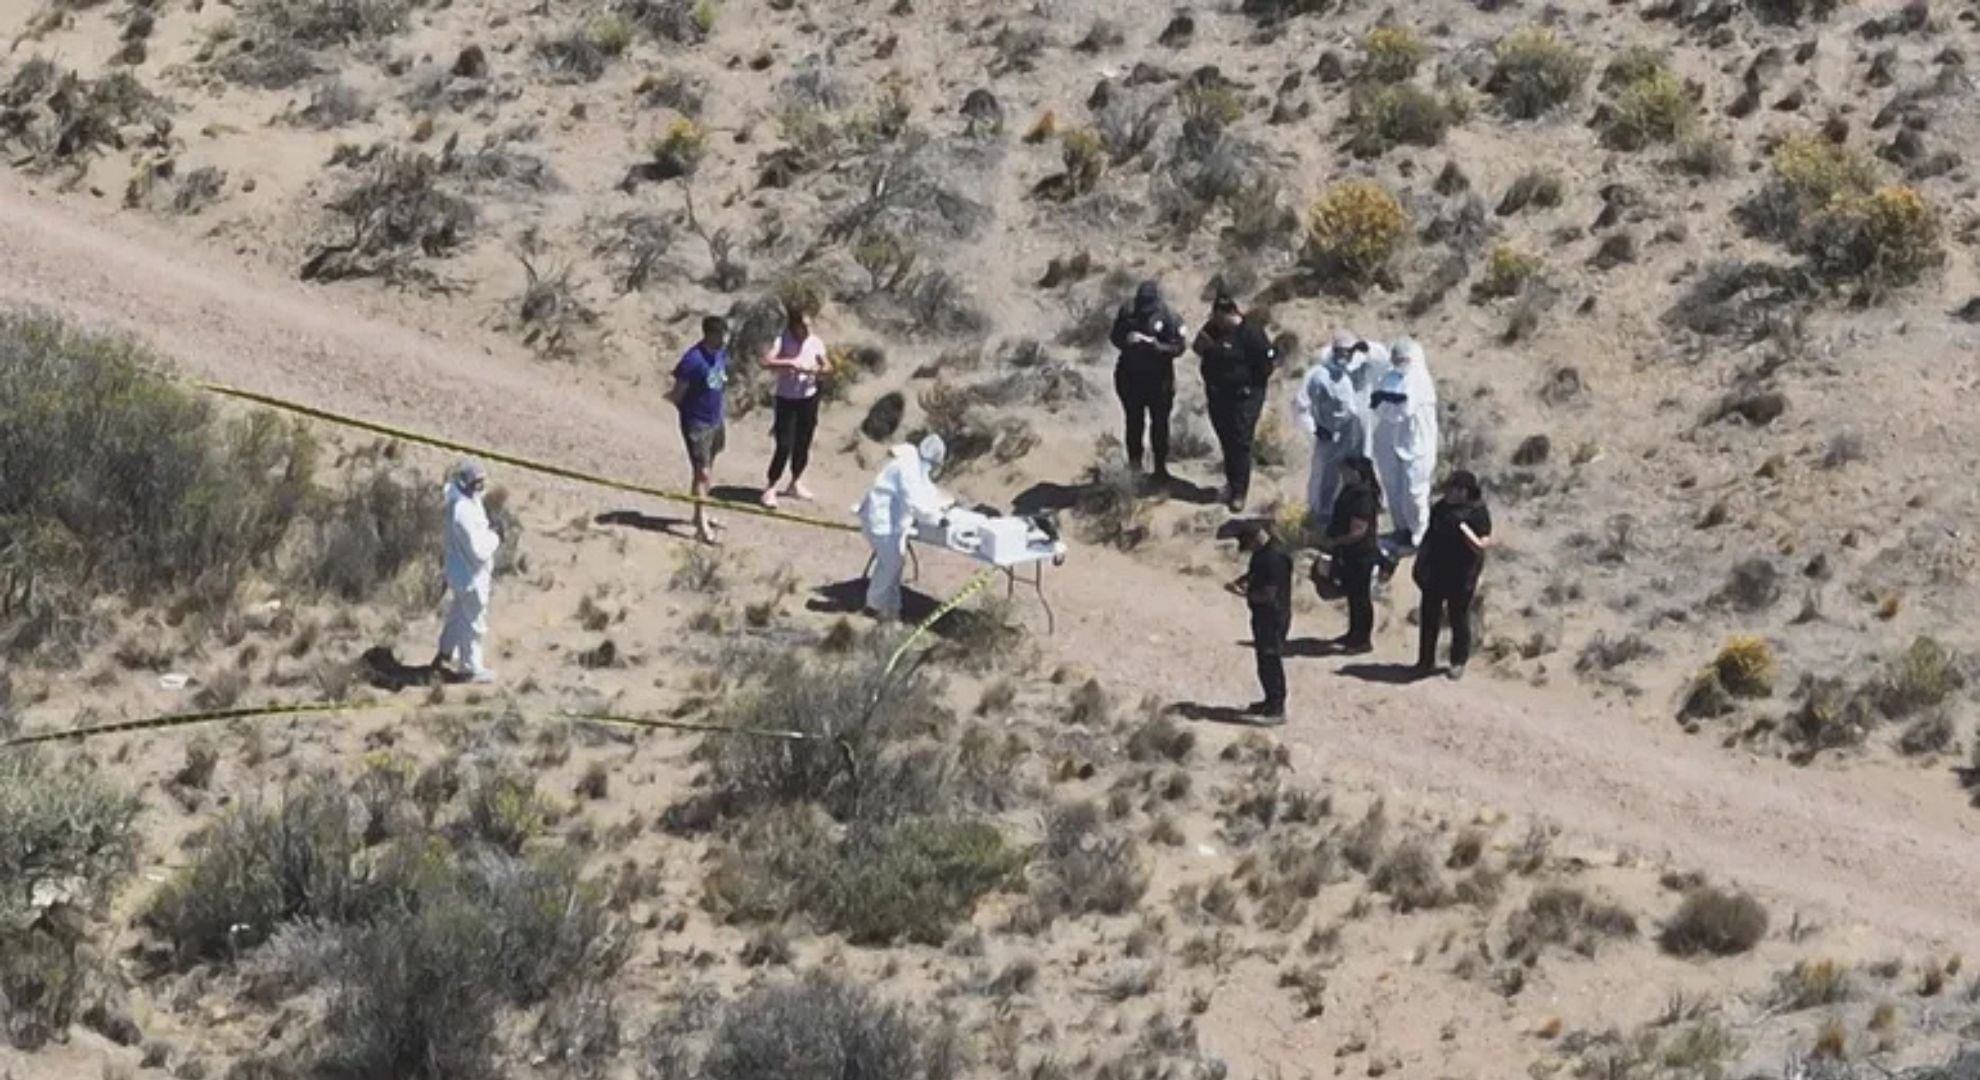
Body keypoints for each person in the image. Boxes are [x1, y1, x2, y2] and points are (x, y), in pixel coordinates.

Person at [1192, 293, 1278, 513]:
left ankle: (1239, 493)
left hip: (1245, 398)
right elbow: (1197, 347)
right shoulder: (1214, 328)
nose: (1215, 320)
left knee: (1240, 441)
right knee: (1226, 440)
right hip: (1218, 395)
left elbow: (1266, 365)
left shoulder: (1251, 333)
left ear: (1230, 313)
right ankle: (1231, 483)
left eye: (1218, 316)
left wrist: (1249, 384)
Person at [858, 434, 956, 621]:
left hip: (894, 522)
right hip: (882, 522)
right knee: (891, 564)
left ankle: (892, 605)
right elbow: (914, 501)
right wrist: (937, 519)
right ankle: (873, 606)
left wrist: (945, 503)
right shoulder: (908, 469)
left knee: (894, 563)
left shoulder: (913, 464)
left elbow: (926, 490)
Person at [1413, 470, 1494, 680]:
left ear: (1465, 491)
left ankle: (1458, 661)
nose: (1448, 493)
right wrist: (1420, 563)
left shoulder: (1477, 512)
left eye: (1453, 489)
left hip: (1462, 574)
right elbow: (1429, 538)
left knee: (1458, 618)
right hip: (1436, 570)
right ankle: (1425, 661)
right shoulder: (1440, 509)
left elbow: (1484, 542)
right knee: (1429, 615)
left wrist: (1470, 537)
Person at [1109, 280, 1187, 485]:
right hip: (1131, 378)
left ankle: (1160, 468)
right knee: (1134, 423)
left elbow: (1179, 347)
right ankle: (1135, 466)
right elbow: (1114, 336)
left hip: (1159, 380)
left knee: (1160, 424)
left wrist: (1157, 346)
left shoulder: (1169, 316)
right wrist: (1127, 339)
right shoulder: (1128, 312)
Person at [1294, 330, 1375, 519]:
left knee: (1353, 477)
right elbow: (1300, 405)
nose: (1345, 356)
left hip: (1354, 435)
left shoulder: (1356, 371)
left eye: (1349, 352)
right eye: (1342, 351)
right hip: (1330, 436)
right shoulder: (1318, 375)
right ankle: (1321, 515)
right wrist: (1314, 429)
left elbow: (1377, 356)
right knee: (1325, 477)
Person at [433, 460, 501, 683]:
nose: (480, 488)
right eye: (476, 483)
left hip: (461, 573)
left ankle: (445, 653)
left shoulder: (463, 502)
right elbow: (479, 550)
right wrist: (496, 536)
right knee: (474, 622)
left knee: (458, 614)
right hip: (471, 575)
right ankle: (470, 668)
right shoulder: (462, 512)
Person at [1370, 336, 1439, 552]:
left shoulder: (1419, 378)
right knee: (1393, 489)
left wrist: (1385, 398)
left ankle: (1419, 535)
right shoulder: (1390, 377)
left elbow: (1404, 403)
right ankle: (1402, 530)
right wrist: (1384, 398)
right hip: (1390, 442)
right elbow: (1378, 404)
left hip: (1417, 444)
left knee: (1414, 492)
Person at [761, 306, 830, 509]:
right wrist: (789, 363)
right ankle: (771, 486)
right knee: (784, 444)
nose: (806, 329)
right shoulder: (782, 340)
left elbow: (827, 366)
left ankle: (795, 481)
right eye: (803, 326)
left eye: (809, 325)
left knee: (803, 442)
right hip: (786, 398)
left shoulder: (815, 342)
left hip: (808, 397)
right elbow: (766, 361)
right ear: (794, 325)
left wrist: (818, 370)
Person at [669, 315, 728, 545]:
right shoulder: (692, 360)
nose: (724, 339)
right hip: (697, 423)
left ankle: (698, 514)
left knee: (706, 470)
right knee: (702, 472)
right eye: (720, 335)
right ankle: (701, 524)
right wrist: (689, 414)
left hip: (715, 420)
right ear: (709, 334)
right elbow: (677, 394)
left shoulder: (721, 354)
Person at [1228, 521, 1293, 722]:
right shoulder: (1264, 553)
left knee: (1271, 660)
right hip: (1265, 615)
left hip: (1273, 615)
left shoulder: (1273, 558)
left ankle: (1277, 707)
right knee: (1264, 661)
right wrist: (1245, 580)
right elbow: (1257, 575)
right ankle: (1269, 701)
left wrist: (1244, 593)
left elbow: (1269, 593)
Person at [1316, 455, 1382, 655]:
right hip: (1349, 553)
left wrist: (1335, 541)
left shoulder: (1363, 497)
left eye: (1345, 471)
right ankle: (1353, 633)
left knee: (1361, 597)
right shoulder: (1350, 491)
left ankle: (1363, 640)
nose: (1342, 475)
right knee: (1353, 596)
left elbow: (1358, 531)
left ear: (1356, 472)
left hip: (1361, 554)